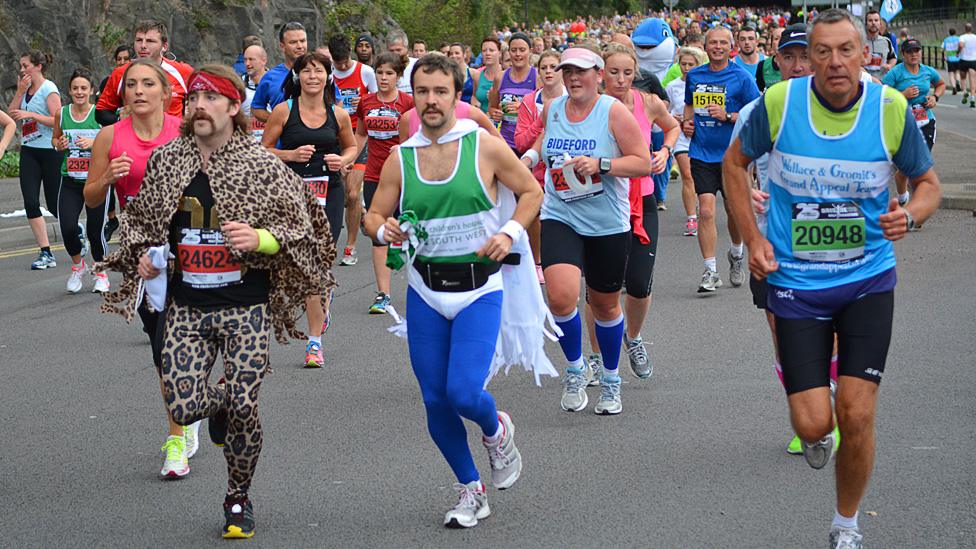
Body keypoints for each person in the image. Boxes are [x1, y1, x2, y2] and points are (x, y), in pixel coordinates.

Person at [724, 10, 941, 548]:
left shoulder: (890, 109)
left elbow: (928, 182)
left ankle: (846, 524)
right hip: (795, 284)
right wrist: (753, 239)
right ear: (808, 58)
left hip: (868, 278)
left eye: (847, 49)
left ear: (867, 54)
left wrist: (910, 214)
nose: (835, 61)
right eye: (822, 51)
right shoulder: (778, 104)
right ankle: (812, 412)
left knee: (857, 411)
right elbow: (734, 165)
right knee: (814, 425)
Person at [96, 64, 336, 539]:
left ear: (233, 107)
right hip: (185, 304)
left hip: (245, 305)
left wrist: (261, 240)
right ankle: (224, 404)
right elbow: (141, 222)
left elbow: (308, 233)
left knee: (246, 408)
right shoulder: (168, 161)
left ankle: (237, 497)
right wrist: (143, 255)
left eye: (211, 99)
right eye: (193, 100)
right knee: (183, 407)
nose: (199, 107)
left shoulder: (262, 165)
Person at [364, 53, 544, 529]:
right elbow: (372, 216)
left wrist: (508, 233)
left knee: (464, 391)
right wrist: (385, 233)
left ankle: (495, 427)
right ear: (413, 96)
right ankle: (471, 489)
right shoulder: (403, 159)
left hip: (479, 289)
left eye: (440, 91)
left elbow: (531, 192)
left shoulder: (483, 146)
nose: (430, 101)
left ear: (457, 94)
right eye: (422, 91)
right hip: (425, 290)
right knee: (435, 401)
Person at [520, 46, 652, 415]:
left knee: (605, 304)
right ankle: (575, 368)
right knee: (561, 297)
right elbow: (543, 139)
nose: (574, 78)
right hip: (560, 213)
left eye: (581, 71)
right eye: (567, 72)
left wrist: (601, 164)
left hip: (606, 222)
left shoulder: (614, 112)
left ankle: (611, 379)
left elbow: (642, 162)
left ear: (598, 74)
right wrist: (530, 157)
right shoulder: (554, 108)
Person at [730, 22, 841, 455]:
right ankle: (806, 410)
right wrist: (749, 190)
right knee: (781, 328)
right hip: (775, 237)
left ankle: (827, 406)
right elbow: (737, 169)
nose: (797, 66)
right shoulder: (757, 111)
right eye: (789, 57)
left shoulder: (841, 106)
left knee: (829, 324)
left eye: (804, 56)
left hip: (829, 230)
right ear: (775, 62)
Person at [84, 58, 188, 477]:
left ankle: (184, 421)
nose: (139, 91)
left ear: (166, 92)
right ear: (123, 93)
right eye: (131, 85)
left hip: (191, 250)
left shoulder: (183, 132)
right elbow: (91, 199)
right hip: (143, 257)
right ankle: (178, 435)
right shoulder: (110, 136)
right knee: (164, 347)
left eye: (148, 84)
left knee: (192, 344)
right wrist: (108, 176)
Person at [582, 43, 678, 382]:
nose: (621, 79)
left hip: (642, 199)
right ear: (600, 73)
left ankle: (632, 337)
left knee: (638, 283)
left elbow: (673, 126)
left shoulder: (647, 102)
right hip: (601, 200)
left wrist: (665, 151)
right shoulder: (588, 107)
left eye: (627, 72)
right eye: (613, 72)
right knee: (598, 289)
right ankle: (596, 357)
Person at [261, 52, 358, 368]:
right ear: (297, 77)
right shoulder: (283, 111)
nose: (312, 76)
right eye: (307, 71)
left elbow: (352, 146)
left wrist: (343, 161)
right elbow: (263, 151)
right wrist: (289, 154)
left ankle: (314, 342)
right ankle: (319, 304)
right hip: (292, 194)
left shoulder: (338, 114)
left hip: (328, 191)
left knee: (319, 260)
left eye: (319, 71)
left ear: (328, 77)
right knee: (301, 265)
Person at [681, 26, 760, 293]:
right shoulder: (694, 76)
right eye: (713, 42)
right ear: (706, 46)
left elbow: (754, 113)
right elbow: (689, 106)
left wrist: (727, 116)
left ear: (730, 47)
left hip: (732, 155)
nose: (717, 47)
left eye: (722, 43)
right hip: (701, 152)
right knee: (705, 209)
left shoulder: (741, 77)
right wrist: (687, 124)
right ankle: (710, 270)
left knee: (734, 211)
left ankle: (736, 254)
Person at [355, 52, 414, 314]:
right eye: (379, 72)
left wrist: (401, 150)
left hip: (404, 177)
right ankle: (383, 295)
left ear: (398, 77)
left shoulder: (409, 103)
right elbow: (360, 134)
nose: (383, 77)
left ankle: (420, 290)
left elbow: (417, 137)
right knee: (378, 234)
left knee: (411, 232)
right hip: (374, 175)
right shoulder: (365, 102)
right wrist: (350, 158)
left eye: (389, 73)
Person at [53, 69, 108, 293]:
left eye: (84, 88)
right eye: (75, 88)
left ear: (92, 91)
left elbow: (113, 144)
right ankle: (78, 266)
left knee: (95, 232)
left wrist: (94, 143)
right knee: (66, 228)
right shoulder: (61, 113)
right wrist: (59, 145)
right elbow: (55, 139)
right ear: (69, 90)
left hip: (96, 182)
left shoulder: (100, 115)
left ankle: (101, 272)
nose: (79, 92)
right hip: (70, 181)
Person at [8, 50, 63, 270]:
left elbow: (59, 120)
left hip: (50, 151)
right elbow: (12, 114)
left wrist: (33, 116)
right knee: (30, 201)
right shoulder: (25, 89)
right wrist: (20, 91)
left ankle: (74, 229)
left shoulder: (49, 89)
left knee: (53, 204)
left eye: (25, 65)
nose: (22, 70)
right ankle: (46, 253)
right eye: (20, 66)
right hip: (29, 151)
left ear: (38, 66)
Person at [515, 50, 565, 283]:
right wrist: (541, 120)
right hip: (536, 168)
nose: (548, 72)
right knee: (535, 212)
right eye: (543, 68)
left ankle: (564, 260)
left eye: (553, 67)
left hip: (564, 167)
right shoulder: (529, 101)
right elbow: (521, 141)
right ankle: (537, 262)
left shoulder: (571, 97)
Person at [330, 34, 378, 267]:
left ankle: (350, 247)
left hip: (360, 136)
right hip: (335, 137)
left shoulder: (365, 72)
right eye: (337, 63)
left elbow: (377, 100)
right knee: (340, 194)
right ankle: (356, 214)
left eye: (344, 61)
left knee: (352, 194)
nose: (341, 66)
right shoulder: (327, 74)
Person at [96, 20, 194, 125]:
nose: (143, 45)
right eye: (139, 40)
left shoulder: (183, 71)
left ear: (164, 46)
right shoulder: (120, 73)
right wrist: (119, 120)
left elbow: (206, 101)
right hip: (134, 138)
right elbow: (101, 112)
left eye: (150, 41)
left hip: (173, 139)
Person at [883, 38, 944, 206]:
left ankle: (917, 207)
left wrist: (934, 97)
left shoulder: (927, 71)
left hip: (926, 121)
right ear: (903, 54)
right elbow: (882, 94)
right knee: (904, 169)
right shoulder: (896, 72)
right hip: (903, 122)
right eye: (909, 52)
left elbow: (940, 84)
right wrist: (903, 94)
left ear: (921, 52)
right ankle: (903, 198)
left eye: (916, 51)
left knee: (920, 164)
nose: (913, 54)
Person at [665, 46, 707, 236]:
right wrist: (674, 118)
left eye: (691, 64)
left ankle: (700, 204)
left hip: (701, 135)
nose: (687, 68)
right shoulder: (672, 86)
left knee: (699, 177)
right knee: (688, 175)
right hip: (681, 136)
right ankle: (691, 218)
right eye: (683, 64)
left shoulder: (704, 84)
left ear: (698, 65)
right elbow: (666, 111)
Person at [489, 33, 538, 152]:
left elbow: (544, 114)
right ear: (509, 52)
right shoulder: (500, 77)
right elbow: (492, 108)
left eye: (522, 50)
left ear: (530, 51)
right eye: (514, 50)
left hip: (530, 144)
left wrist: (524, 109)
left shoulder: (537, 77)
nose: (518, 54)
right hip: (506, 143)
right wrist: (495, 114)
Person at [251, 21, 307, 123]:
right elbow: (256, 108)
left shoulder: (319, 73)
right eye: (293, 42)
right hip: (284, 138)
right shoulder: (270, 77)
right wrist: (278, 121)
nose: (300, 46)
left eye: (303, 41)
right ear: (282, 46)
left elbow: (337, 102)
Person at [242, 44, 269, 141]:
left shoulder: (277, 83)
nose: (247, 63)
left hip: (273, 145)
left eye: (251, 59)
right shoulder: (239, 85)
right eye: (245, 60)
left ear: (264, 60)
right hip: (248, 145)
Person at [863, 10, 896, 79]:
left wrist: (889, 65)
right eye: (870, 20)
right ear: (866, 24)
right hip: (864, 82)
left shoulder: (886, 41)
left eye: (876, 20)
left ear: (880, 24)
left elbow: (893, 58)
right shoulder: (859, 42)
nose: (873, 23)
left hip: (882, 81)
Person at [475, 37, 502, 114]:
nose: (487, 53)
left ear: (499, 53)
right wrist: (475, 106)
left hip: (502, 122)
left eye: (491, 50)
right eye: (484, 51)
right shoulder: (478, 75)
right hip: (482, 121)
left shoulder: (507, 75)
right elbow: (474, 96)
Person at [755, 26, 784, 91]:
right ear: (771, 44)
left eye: (783, 38)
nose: (780, 42)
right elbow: (759, 92)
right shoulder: (763, 65)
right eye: (776, 38)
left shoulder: (796, 65)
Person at [959, 23, 976, 108]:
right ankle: (972, 98)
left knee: (963, 78)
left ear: (965, 29)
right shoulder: (975, 37)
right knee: (972, 79)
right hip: (973, 60)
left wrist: (958, 52)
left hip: (964, 59)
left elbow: (961, 45)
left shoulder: (962, 37)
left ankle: (965, 92)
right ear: (971, 29)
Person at [942, 29, 962, 95]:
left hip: (950, 59)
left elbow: (942, 49)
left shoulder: (946, 40)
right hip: (958, 58)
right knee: (957, 72)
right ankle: (958, 82)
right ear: (955, 32)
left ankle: (953, 87)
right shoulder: (959, 39)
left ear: (949, 33)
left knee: (951, 74)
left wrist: (945, 55)